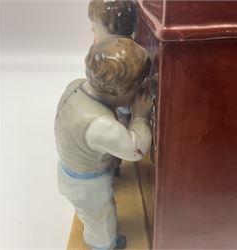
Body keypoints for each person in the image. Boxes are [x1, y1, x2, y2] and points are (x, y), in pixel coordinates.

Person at [55, 38, 152, 250]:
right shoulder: (99, 124)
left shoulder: (75, 86)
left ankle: (92, 229)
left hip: (69, 173)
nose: (138, 93)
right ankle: (103, 245)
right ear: (119, 92)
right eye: (135, 89)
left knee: (89, 213)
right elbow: (134, 150)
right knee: (101, 217)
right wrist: (139, 117)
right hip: (88, 185)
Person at [88, 0, 137, 176]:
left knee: (116, 139)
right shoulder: (104, 49)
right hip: (109, 105)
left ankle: (112, 166)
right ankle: (111, 165)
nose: (92, 32)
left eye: (95, 28)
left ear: (111, 28)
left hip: (120, 108)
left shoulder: (122, 54)